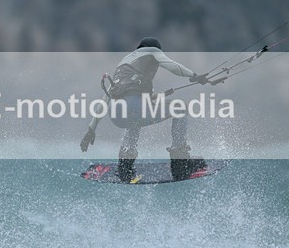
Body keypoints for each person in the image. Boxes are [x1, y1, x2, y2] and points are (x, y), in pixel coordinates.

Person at [79, 37, 209, 182]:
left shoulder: (123, 65)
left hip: (116, 114)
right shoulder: (152, 51)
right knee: (180, 108)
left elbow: (105, 100)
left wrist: (91, 129)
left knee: (135, 120)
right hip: (134, 107)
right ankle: (180, 164)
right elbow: (172, 66)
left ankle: (125, 168)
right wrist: (195, 76)